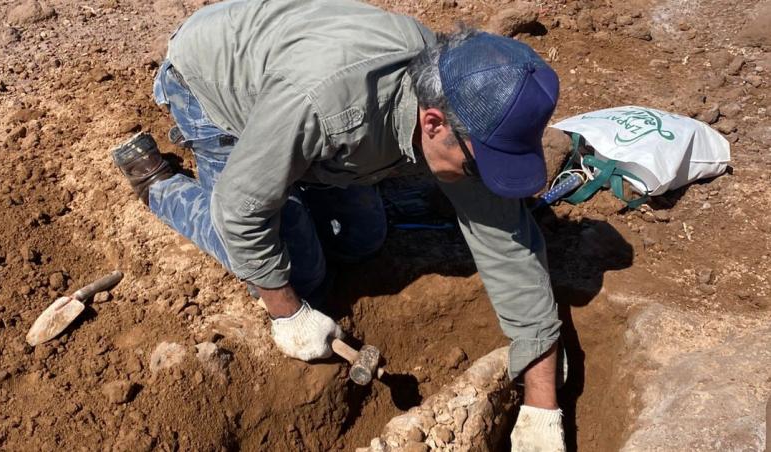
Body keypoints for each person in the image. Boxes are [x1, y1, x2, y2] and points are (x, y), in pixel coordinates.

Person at [112, 0, 564, 449]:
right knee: (302, 277)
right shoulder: (326, 104)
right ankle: (161, 187)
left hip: (296, 91)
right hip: (211, 84)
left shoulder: (464, 102)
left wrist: (542, 408)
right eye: (477, 167)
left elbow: (509, 248)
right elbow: (239, 208)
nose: (482, 180)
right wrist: (287, 312)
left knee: (363, 239)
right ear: (432, 123)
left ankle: (290, 168)